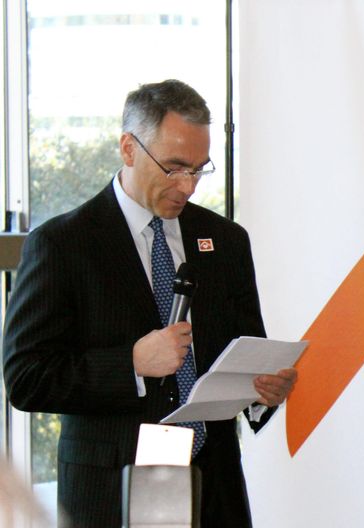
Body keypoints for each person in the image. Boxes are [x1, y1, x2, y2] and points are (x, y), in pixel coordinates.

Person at [2, 79, 296, 527]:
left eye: (199, 169)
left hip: (214, 492)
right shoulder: (62, 244)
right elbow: (26, 379)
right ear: (128, 148)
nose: (188, 186)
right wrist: (132, 363)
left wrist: (262, 392)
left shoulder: (226, 241)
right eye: (174, 168)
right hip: (110, 494)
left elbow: (245, 347)